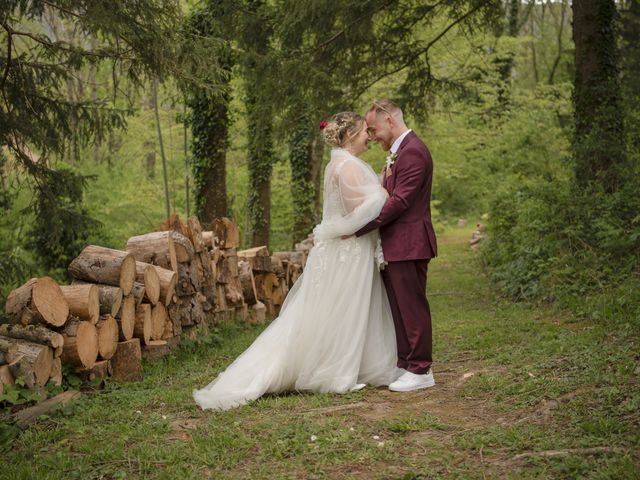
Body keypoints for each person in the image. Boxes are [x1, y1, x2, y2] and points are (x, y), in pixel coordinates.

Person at [193, 111, 397, 411]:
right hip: (348, 252)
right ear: (351, 134)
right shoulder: (348, 166)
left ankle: (345, 364)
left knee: (335, 309)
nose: (370, 136)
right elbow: (359, 215)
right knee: (343, 308)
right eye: (365, 131)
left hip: (344, 252)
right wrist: (383, 192)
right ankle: (333, 371)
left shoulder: (339, 162)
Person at [353, 99, 438, 393]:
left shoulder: (413, 152)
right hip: (394, 244)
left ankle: (421, 369)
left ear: (390, 119)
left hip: (410, 242)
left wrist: (360, 228)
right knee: (398, 308)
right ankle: (405, 363)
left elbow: (400, 201)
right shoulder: (398, 152)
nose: (372, 135)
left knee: (412, 307)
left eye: (374, 128)